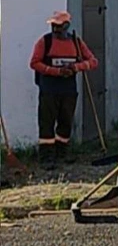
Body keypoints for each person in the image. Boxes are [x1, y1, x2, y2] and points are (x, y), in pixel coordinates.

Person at [29, 11, 99, 165]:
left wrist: (76, 67)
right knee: (47, 123)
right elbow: (34, 63)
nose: (55, 29)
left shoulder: (76, 43)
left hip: (68, 90)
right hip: (48, 89)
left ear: (67, 26)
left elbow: (93, 61)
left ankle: (62, 153)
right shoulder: (44, 42)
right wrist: (56, 71)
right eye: (53, 26)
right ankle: (46, 158)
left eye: (59, 26)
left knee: (65, 122)